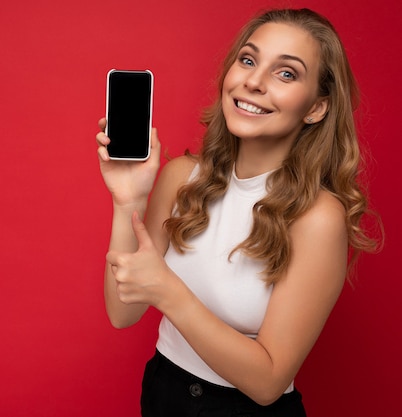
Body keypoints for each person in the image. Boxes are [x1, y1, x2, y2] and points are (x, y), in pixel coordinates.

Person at [95, 8, 382, 417]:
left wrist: (170, 292)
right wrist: (128, 202)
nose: (253, 81)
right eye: (248, 60)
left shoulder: (319, 217)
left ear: (316, 108)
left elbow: (268, 383)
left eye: (286, 74)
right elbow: (122, 313)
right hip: (163, 390)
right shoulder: (181, 177)